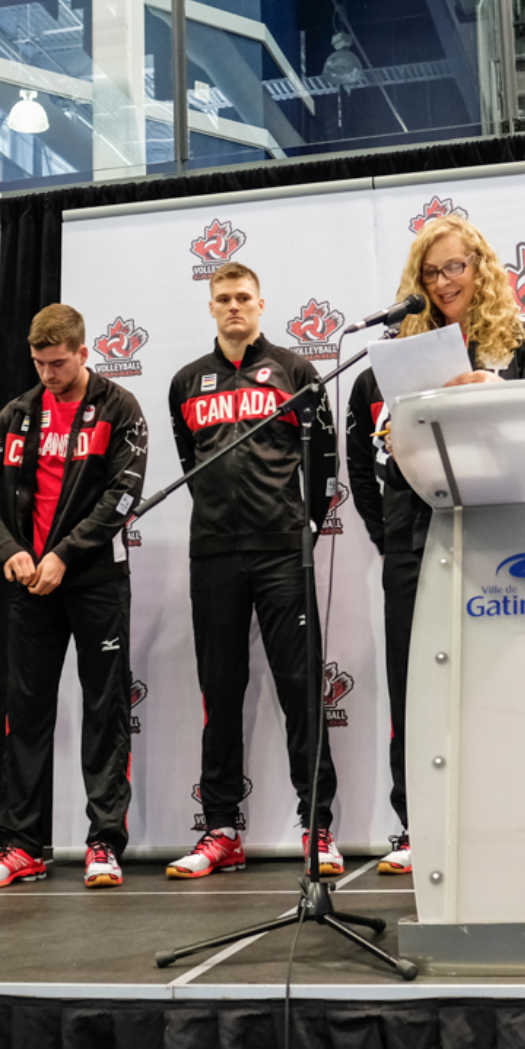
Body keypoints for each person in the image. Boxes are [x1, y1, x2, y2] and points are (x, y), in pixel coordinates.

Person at [346, 214, 525, 874]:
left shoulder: (519, 341)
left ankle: (502, 814)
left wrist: (497, 389)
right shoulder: (394, 357)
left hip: (492, 536)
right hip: (412, 536)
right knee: (415, 688)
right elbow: (358, 453)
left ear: (480, 267)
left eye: (455, 267)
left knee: (495, 685)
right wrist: (385, 534)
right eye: (431, 273)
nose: (443, 282)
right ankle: (415, 824)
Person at [0, 304, 148, 889]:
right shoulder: (19, 413)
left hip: (94, 584)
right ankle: (22, 846)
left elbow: (122, 496)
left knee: (104, 711)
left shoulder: (120, 409)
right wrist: (9, 550)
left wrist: (65, 554)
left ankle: (103, 844)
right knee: (28, 716)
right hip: (30, 587)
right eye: (39, 363)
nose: (48, 374)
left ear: (84, 353)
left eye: (58, 363)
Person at [166, 262, 340, 879]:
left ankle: (317, 828)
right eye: (223, 299)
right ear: (211, 307)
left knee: (300, 689)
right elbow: (192, 462)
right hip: (213, 552)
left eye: (243, 298)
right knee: (220, 691)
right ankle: (220, 831)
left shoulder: (296, 371)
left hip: (280, 551)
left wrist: (306, 527)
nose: (233, 307)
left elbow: (324, 461)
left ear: (261, 305)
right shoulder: (186, 382)